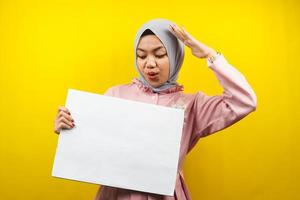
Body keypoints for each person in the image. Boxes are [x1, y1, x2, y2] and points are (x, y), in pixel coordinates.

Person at [53, 19, 257, 200]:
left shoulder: (192, 105)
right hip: (117, 194)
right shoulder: (115, 95)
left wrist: (211, 56)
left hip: (166, 195)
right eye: (141, 56)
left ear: (176, 55)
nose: (149, 64)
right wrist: (68, 129)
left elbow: (244, 101)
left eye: (160, 54)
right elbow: (93, 147)